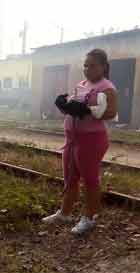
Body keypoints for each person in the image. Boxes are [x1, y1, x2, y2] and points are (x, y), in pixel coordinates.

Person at [44, 49, 118, 235]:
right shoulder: (82, 84)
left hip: (91, 140)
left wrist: (89, 110)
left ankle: (90, 218)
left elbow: (111, 113)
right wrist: (65, 105)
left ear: (103, 67)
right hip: (72, 139)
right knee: (70, 177)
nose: (88, 69)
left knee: (90, 180)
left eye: (92, 65)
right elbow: (75, 107)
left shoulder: (106, 87)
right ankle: (65, 213)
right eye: (85, 65)